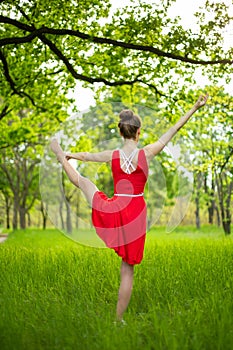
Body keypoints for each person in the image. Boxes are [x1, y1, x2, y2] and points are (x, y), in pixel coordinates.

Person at [50, 93, 208, 322]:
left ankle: (60, 157)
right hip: (135, 214)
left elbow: (86, 156)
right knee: (127, 270)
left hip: (114, 207)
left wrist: (69, 155)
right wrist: (194, 107)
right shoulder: (147, 153)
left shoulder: (111, 155)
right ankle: (118, 319)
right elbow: (173, 130)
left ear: (120, 131)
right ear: (138, 132)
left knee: (83, 182)